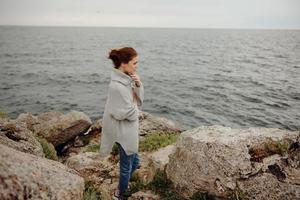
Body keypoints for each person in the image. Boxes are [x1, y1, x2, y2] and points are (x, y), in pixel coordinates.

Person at [99, 47, 144, 199]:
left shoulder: (127, 78)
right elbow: (122, 112)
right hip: (123, 132)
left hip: (129, 130)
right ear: (124, 63)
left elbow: (138, 101)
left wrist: (138, 85)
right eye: (134, 63)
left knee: (135, 160)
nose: (136, 66)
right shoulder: (116, 86)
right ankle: (120, 193)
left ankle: (123, 185)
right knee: (126, 166)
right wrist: (137, 112)